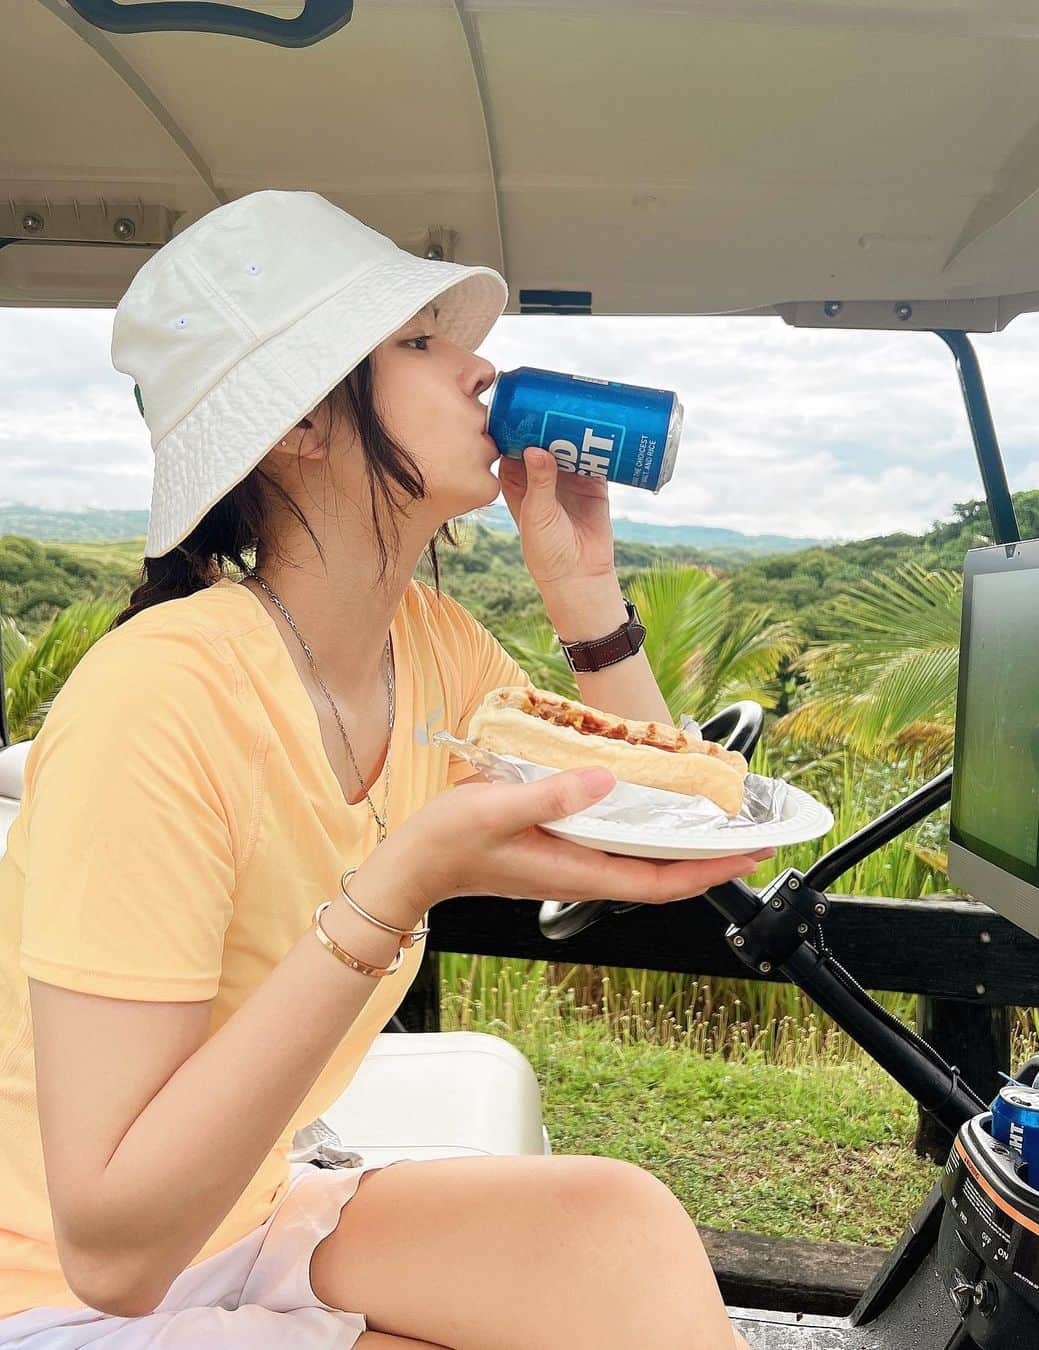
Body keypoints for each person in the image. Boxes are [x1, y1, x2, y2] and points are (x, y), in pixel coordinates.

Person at [0, 191, 765, 1348]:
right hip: (55, 1285)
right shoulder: (158, 695)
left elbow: (649, 821)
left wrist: (583, 593)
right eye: (416, 342)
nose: (479, 367)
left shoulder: (434, 650)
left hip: (245, 1216)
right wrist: (392, 885)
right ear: (299, 423)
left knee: (617, 1225)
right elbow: (110, 1247)